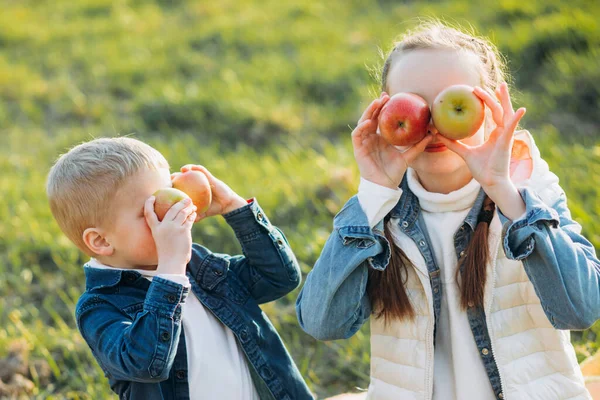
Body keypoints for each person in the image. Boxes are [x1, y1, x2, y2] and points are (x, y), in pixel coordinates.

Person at [296, 21, 599, 400]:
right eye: (417, 104)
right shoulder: (377, 211)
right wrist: (373, 196)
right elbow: (323, 323)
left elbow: (581, 309)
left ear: (490, 109)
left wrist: (505, 193)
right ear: (385, 112)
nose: (434, 124)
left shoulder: (529, 193)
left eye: (452, 101)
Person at [46, 136, 313, 400]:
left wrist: (236, 208)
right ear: (102, 241)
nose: (176, 210)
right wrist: (171, 269)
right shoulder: (99, 306)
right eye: (149, 211)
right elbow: (147, 363)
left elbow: (279, 278)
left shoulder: (199, 266)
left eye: (170, 193)